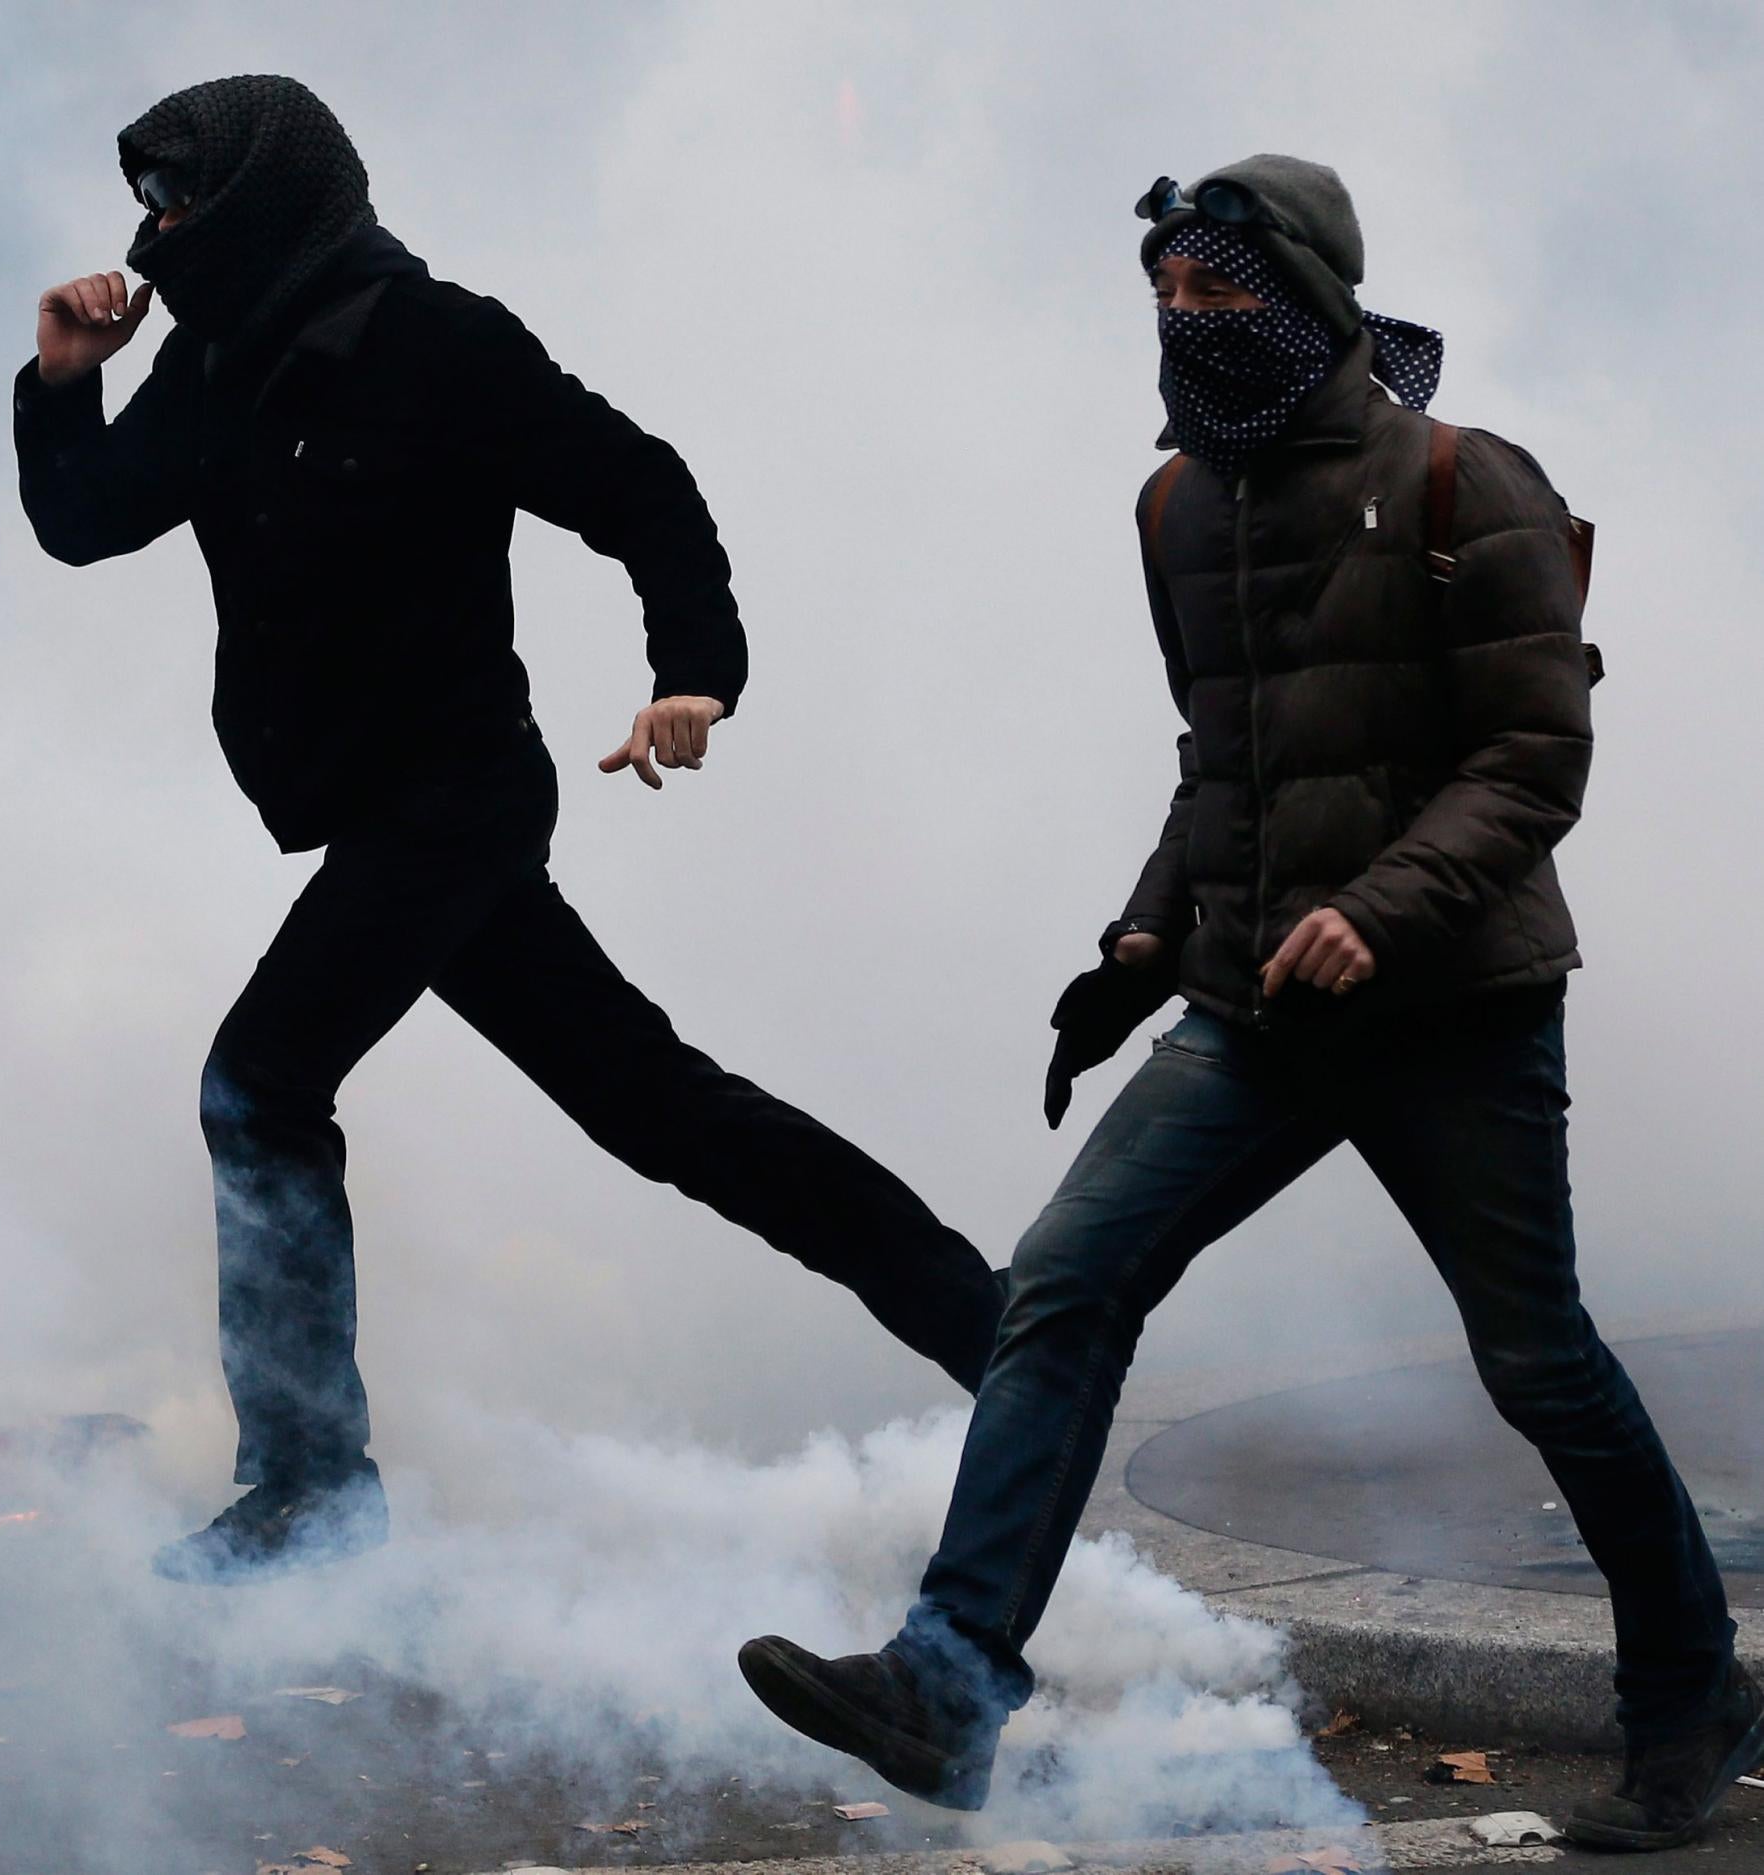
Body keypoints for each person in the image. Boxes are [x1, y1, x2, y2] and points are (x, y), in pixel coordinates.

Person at [737, 156, 1759, 1851]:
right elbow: (1229, 758)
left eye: (1220, 290)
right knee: (1063, 1287)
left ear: (1309, 296)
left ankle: (1688, 1693)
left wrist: (1382, 909)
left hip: (1456, 1011)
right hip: (1253, 1011)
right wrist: (1142, 943)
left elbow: (1538, 754)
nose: (1185, 322)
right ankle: (948, 1680)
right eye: (1167, 293)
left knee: (1541, 1365)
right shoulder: (1175, 510)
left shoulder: (1461, 481)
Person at [13, 74, 1003, 1585]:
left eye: (182, 202)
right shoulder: (217, 357)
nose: (153, 234)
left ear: (267, 203)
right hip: (378, 815)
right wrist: (62, 377)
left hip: (456, 799)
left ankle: (309, 1500)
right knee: (658, 1108)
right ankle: (1003, 1335)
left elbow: (642, 489)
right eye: (148, 202)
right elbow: (87, 518)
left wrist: (695, 677)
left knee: (258, 1087)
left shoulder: (439, 343)